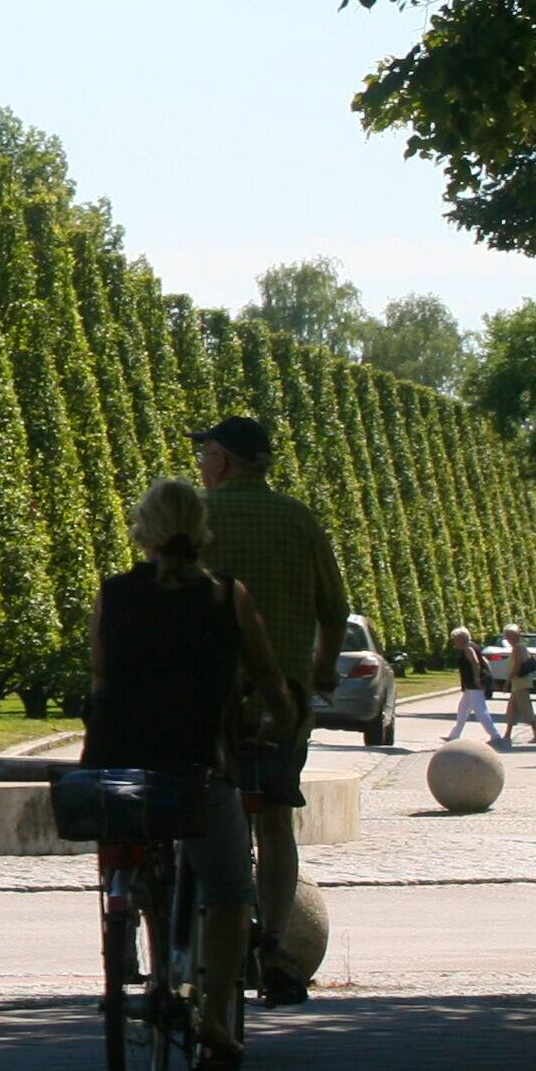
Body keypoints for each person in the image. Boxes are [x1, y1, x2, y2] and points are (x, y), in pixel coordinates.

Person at [88, 477, 305, 1065]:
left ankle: (148, 957)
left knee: (143, 855)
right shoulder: (226, 596)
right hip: (197, 764)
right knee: (232, 890)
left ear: (143, 532)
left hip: (119, 766)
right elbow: (267, 677)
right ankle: (214, 1017)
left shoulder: (113, 593)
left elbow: (103, 680)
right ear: (202, 530)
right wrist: (281, 721)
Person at [194, 415, 349, 1002]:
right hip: (279, 701)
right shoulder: (299, 519)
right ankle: (277, 946)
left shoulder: (197, 518)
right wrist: (323, 667)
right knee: (276, 819)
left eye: (206, 453)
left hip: (207, 701)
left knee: (200, 812)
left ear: (225, 461)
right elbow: (333, 609)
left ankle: (202, 942)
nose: (202, 464)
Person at [445, 626, 508, 746]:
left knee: (480, 710)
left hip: (474, 683)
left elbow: (476, 663)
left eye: (455, 639)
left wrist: (477, 678)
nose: (454, 641)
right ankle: (454, 735)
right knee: (463, 708)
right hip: (471, 684)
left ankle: (495, 736)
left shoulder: (468, 648)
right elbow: (485, 661)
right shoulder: (473, 645)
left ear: (461, 638)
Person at [506, 621, 536, 749]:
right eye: (507, 636)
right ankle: (507, 735)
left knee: (525, 709)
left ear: (516, 636)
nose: (508, 639)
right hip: (519, 683)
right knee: (512, 710)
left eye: (510, 636)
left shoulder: (518, 647)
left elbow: (518, 665)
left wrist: (508, 680)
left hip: (520, 683)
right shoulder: (520, 646)